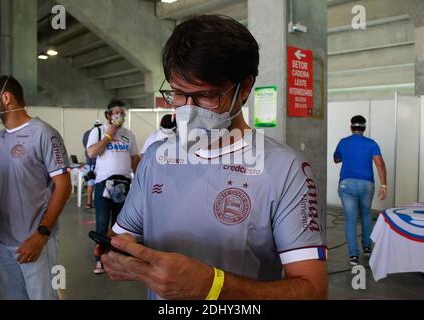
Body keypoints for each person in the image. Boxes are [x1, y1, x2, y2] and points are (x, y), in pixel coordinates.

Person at [97, 15, 327, 300]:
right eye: (179, 94)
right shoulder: (157, 158)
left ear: (244, 89)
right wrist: (117, 253)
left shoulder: (286, 170)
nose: (189, 110)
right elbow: (125, 235)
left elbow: (312, 291)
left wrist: (213, 286)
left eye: (206, 96)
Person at [0, 76, 72, 300]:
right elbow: (3, 182)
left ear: (6, 97)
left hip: (35, 242)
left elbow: (63, 186)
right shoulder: (0, 138)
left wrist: (41, 234)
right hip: (3, 242)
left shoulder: (43, 133)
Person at [87, 98, 140, 275]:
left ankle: (116, 259)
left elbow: (134, 159)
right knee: (102, 224)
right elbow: (92, 152)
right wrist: (110, 134)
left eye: (122, 113)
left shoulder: (129, 134)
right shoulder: (99, 131)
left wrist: (140, 181)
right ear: (108, 115)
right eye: (116, 113)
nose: (119, 116)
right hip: (104, 183)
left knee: (120, 225)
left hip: (123, 183)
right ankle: (99, 260)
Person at [334, 115, 387, 266]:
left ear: (351, 128)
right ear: (364, 128)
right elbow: (380, 164)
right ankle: (367, 248)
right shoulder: (371, 144)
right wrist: (384, 185)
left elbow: (336, 159)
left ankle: (353, 256)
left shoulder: (343, 142)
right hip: (366, 185)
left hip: (346, 185)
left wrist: (349, 157)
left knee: (350, 219)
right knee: (366, 214)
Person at [82, 120, 102, 209]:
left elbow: (85, 145)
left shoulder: (86, 133)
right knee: (100, 183)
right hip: (98, 162)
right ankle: (99, 203)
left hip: (89, 162)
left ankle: (89, 202)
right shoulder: (100, 133)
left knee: (90, 182)